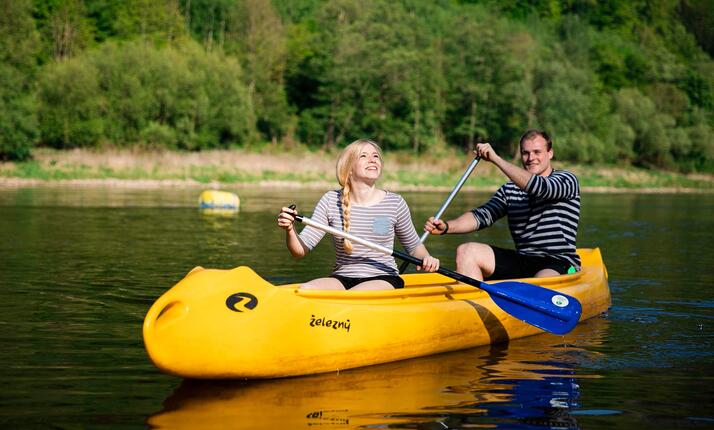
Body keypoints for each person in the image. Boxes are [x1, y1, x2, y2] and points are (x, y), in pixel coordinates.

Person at [277, 139, 440, 290]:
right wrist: (290, 230)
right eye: (364, 156)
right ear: (349, 168)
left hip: (384, 278)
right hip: (342, 278)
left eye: (376, 156)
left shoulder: (395, 203)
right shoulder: (330, 200)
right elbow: (299, 251)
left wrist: (427, 258)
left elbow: (414, 247)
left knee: (355, 295)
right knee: (305, 290)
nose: (373, 159)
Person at [424, 129, 580, 281]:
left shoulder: (566, 179)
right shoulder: (509, 189)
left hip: (557, 262)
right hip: (523, 260)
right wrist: (447, 227)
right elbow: (483, 215)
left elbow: (539, 188)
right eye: (525, 153)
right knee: (466, 251)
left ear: (550, 153)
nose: (531, 158)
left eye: (537, 152)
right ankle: (473, 303)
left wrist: (496, 159)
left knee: (539, 282)